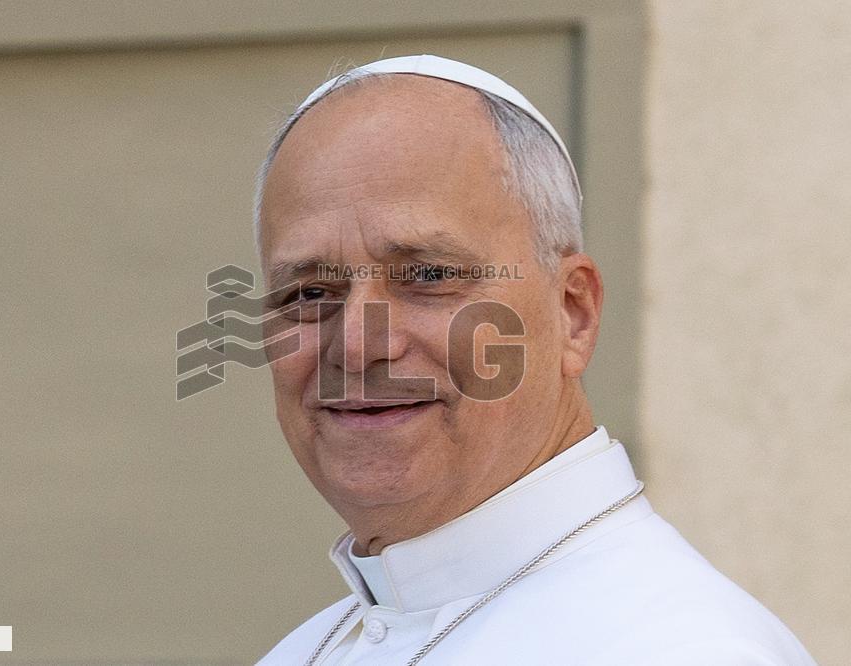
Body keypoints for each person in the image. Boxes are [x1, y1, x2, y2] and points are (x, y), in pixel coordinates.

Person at [252, 54, 816, 665]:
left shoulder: (680, 649)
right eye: (308, 293)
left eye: (428, 275)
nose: (357, 345)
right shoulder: (309, 649)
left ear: (573, 313)